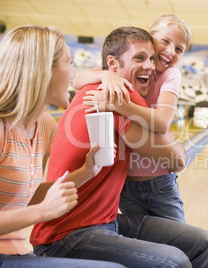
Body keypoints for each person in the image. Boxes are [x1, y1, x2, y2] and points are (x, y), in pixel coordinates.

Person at [30, 26, 208, 268]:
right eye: (139, 58)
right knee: (175, 262)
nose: (150, 66)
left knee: (203, 242)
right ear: (113, 64)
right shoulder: (117, 94)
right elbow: (177, 159)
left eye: (151, 58)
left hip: (106, 221)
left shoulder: (103, 87)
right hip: (66, 235)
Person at [0, 25, 124, 268]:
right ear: (44, 70)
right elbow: (38, 208)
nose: (73, 73)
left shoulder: (45, 126)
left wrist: (85, 174)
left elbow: (25, 196)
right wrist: (43, 212)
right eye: (69, 62)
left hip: (17, 252)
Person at [74, 14, 191, 223]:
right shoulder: (129, 66)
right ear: (150, 37)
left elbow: (163, 122)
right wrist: (105, 75)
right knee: (145, 247)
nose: (171, 51)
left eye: (179, 49)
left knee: (181, 243)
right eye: (165, 41)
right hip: (125, 185)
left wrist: (117, 104)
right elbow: (77, 80)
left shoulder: (170, 75)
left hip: (159, 183)